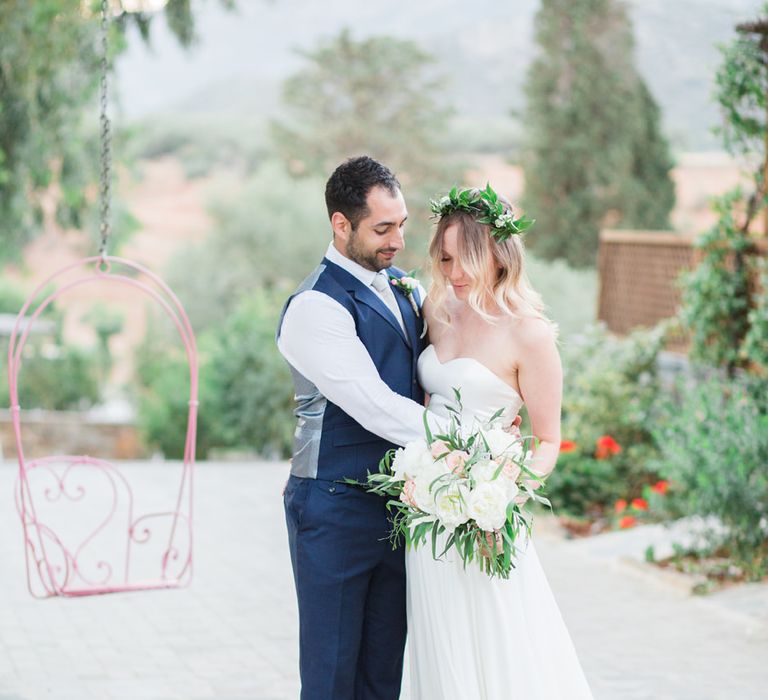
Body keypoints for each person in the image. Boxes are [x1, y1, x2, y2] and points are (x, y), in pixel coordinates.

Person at [405, 187, 594, 699]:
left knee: (499, 638)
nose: (454, 273)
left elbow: (548, 438)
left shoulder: (530, 334)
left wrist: (501, 498)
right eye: (444, 259)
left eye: (465, 259)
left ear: (498, 253)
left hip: (488, 519)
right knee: (439, 641)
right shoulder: (435, 312)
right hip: (427, 513)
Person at [277, 156, 433, 700]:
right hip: (333, 507)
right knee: (331, 675)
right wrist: (466, 436)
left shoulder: (404, 289)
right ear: (340, 224)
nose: (397, 241)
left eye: (402, 225)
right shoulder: (316, 305)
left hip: (399, 505)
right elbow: (375, 405)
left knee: (381, 674)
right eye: (382, 229)